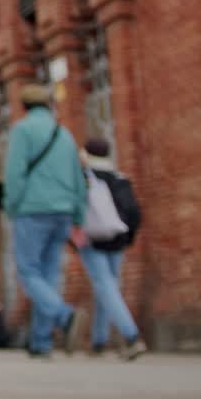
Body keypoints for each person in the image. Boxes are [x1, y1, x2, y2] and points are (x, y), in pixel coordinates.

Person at [2, 83, 88, 358]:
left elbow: (14, 174)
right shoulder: (64, 134)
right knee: (50, 275)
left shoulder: (23, 130)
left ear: (24, 107)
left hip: (32, 210)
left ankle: (64, 316)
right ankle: (41, 341)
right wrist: (78, 216)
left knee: (28, 272)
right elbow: (78, 179)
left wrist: (10, 206)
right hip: (63, 212)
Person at [78, 138, 148, 361]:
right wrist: (128, 238)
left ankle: (132, 337)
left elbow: (75, 208)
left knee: (105, 287)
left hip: (92, 240)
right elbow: (135, 214)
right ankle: (99, 341)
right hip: (117, 239)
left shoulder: (85, 179)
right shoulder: (120, 178)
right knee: (108, 287)